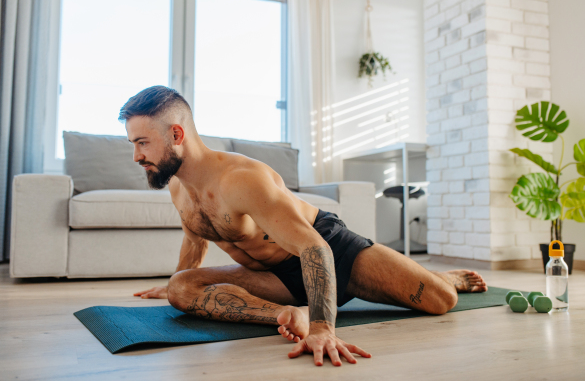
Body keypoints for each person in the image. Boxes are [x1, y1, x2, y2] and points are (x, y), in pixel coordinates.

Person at [125, 86, 488, 367]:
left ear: (176, 135)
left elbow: (315, 249)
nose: (137, 156)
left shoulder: (240, 179)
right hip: (276, 278)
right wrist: (184, 274)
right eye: (134, 144)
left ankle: (446, 276)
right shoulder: (176, 184)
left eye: (143, 143)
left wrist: (322, 328)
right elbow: (196, 235)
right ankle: (287, 314)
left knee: (442, 301)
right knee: (181, 288)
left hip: (331, 251)